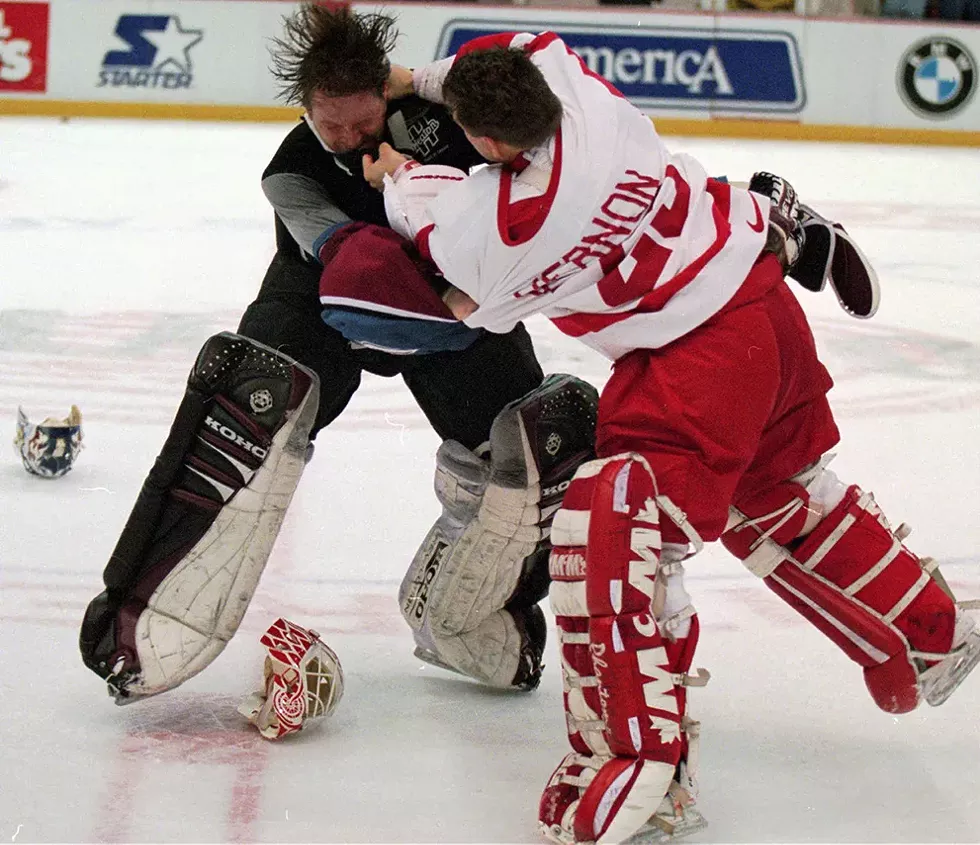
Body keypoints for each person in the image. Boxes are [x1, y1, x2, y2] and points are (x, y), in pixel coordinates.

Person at [362, 34, 980, 844]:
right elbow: (515, 52)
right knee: (777, 494)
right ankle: (924, 630)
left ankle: (645, 765)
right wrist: (415, 78)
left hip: (694, 358)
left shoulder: (495, 227)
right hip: (760, 298)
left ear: (484, 143)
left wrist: (392, 180)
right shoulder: (578, 93)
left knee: (616, 520)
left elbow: (455, 272)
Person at [77, 7, 601, 725]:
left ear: (384, 96)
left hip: (446, 303)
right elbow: (354, 265)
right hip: (330, 300)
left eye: (365, 125)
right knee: (248, 396)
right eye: (335, 130)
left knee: (534, 439)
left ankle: (490, 628)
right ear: (307, 110)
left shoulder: (445, 117)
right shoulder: (291, 171)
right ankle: (140, 616)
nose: (353, 142)